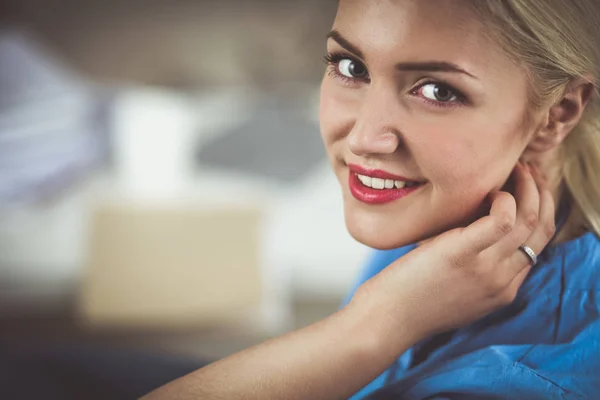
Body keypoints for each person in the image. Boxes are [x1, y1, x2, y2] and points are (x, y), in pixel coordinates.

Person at [143, 0, 600, 399]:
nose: (364, 138)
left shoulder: (525, 382)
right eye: (350, 67)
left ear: (556, 115)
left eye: (437, 91)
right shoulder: (457, 207)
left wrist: (376, 324)